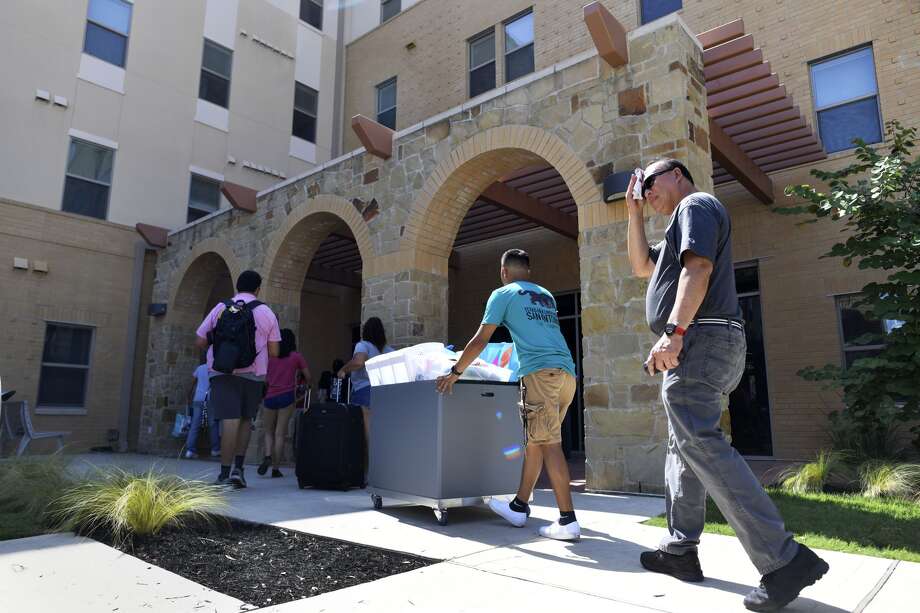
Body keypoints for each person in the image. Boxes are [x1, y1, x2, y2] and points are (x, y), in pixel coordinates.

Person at [627, 159, 828, 611]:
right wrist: (634, 212)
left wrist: (674, 333)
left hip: (699, 338)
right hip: (704, 341)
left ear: (677, 174)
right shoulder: (676, 227)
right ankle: (680, 551)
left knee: (700, 442)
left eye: (650, 184)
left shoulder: (695, 205)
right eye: (641, 191)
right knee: (684, 445)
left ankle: (784, 559)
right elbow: (642, 265)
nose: (646, 193)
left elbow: (696, 270)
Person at [436, 249, 580, 541]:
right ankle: (519, 505)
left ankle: (568, 520)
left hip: (539, 374)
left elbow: (479, 341)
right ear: (527, 271)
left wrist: (455, 372)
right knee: (537, 441)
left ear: (504, 272)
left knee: (549, 442)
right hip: (567, 374)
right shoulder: (545, 295)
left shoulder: (503, 294)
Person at [196, 270, 281, 489]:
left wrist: (221, 348)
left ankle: (223, 473)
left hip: (222, 372)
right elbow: (274, 351)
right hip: (254, 375)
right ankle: (238, 470)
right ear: (258, 288)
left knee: (228, 421)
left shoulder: (221, 307)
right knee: (245, 420)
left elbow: (199, 339)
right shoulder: (266, 312)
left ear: (237, 286)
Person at [258, 328, 311, 478]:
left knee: (268, 431)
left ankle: (268, 455)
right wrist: (305, 385)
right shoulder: (296, 357)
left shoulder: (270, 357)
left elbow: (264, 377)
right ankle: (275, 468)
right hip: (287, 396)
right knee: (280, 434)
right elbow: (308, 376)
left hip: (270, 396)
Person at [337, 318, 392, 455]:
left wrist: (343, 370)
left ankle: (370, 468)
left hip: (365, 391)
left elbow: (359, 362)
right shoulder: (389, 350)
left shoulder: (363, 345)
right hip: (386, 392)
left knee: (367, 433)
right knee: (384, 432)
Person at [183, 359, 220, 459]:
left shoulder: (200, 368)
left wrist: (188, 395)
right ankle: (215, 449)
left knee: (195, 424)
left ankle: (190, 450)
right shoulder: (217, 369)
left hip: (198, 398)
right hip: (210, 399)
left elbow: (192, 383)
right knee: (213, 424)